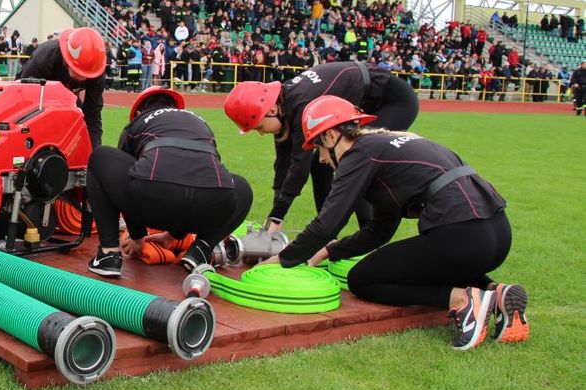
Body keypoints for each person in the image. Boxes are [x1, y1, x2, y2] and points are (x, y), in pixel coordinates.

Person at [262, 96, 527, 351]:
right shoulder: (385, 143)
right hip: (497, 235)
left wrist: (284, 259)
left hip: (461, 237)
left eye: (318, 148)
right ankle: (497, 292)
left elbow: (327, 223)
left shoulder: (358, 155)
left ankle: (463, 300)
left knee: (362, 279)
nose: (320, 159)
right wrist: (330, 251)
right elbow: (380, 231)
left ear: (331, 136)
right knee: (426, 261)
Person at [223, 60, 419, 233]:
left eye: (260, 126)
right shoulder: (284, 102)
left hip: (392, 101)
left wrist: (278, 216)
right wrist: (275, 213)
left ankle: (368, 234)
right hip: (364, 99)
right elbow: (283, 163)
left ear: (272, 110)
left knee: (356, 160)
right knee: (323, 162)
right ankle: (326, 232)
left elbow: (300, 164)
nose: (262, 132)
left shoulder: (300, 105)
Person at [85, 87, 253, 278]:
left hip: (152, 203)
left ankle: (108, 255)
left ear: (138, 112)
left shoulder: (137, 124)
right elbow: (204, 179)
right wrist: (173, 236)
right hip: (207, 209)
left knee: (100, 157)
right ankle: (201, 249)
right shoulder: (201, 124)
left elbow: (129, 176)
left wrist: (138, 237)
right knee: (242, 187)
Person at [20, 27, 107, 147]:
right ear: (67, 61)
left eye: (86, 75)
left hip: (68, 96)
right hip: (35, 97)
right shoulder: (44, 58)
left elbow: (92, 115)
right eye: (78, 73)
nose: (83, 78)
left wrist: (94, 154)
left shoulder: (95, 71)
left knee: (80, 125)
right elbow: (23, 97)